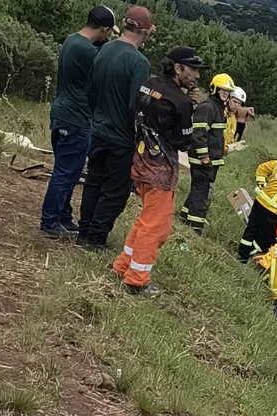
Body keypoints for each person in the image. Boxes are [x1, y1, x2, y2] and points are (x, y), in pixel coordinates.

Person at [111, 47, 203, 298]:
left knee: (145, 220)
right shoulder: (181, 102)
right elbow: (183, 143)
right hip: (160, 170)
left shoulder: (148, 84)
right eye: (192, 69)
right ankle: (137, 280)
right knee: (156, 228)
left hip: (140, 161)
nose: (196, 75)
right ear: (178, 68)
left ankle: (122, 266)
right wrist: (190, 111)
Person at [77, 5, 155, 251]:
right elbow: (137, 106)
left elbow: (90, 90)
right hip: (121, 138)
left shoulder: (104, 49)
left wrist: (97, 117)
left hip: (97, 130)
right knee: (115, 190)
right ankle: (96, 238)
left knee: (93, 182)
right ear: (146, 31)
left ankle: (84, 230)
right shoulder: (139, 62)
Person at [39, 6, 118, 239]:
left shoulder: (72, 40)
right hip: (76, 118)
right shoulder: (88, 51)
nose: (108, 36)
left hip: (62, 112)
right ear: (104, 29)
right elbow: (105, 71)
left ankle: (63, 217)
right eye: (109, 33)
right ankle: (50, 221)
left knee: (69, 171)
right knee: (66, 172)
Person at [180, 73, 234, 235]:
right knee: (201, 193)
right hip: (203, 159)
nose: (225, 93)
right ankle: (195, 227)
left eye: (228, 91)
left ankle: (184, 216)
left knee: (198, 188)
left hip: (211, 159)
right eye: (223, 90)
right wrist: (204, 156)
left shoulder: (218, 107)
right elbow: (198, 133)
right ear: (214, 89)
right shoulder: (208, 106)